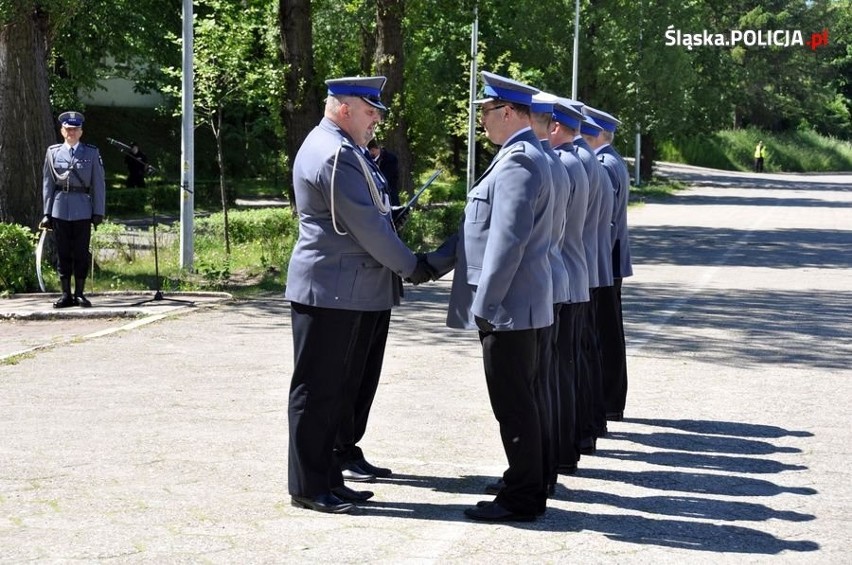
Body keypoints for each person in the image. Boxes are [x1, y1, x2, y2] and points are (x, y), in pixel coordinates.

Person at [284, 75, 432, 514]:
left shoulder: (343, 150)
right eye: (371, 112)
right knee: (316, 391)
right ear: (344, 108)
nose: (376, 122)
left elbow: (373, 214)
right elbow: (367, 227)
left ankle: (328, 477)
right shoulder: (334, 154)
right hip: (330, 289)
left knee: (335, 391)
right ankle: (308, 485)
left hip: (342, 289)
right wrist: (414, 266)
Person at [424, 71, 553, 522]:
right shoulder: (523, 155)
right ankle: (525, 485)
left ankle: (522, 498)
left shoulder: (519, 160)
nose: (481, 122)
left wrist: (486, 304)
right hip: (517, 304)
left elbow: (508, 240)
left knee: (514, 404)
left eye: (485, 112)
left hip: (508, 307)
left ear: (508, 112)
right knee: (521, 401)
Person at [582, 105, 633, 422]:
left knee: (605, 332)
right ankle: (612, 399)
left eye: (588, 130)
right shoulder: (611, 160)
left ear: (599, 134)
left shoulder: (605, 164)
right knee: (608, 330)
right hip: (609, 257)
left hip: (605, 258)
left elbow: (605, 220)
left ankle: (610, 399)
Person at [549, 97, 591, 475]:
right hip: (576, 273)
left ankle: (562, 450)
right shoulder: (580, 161)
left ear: (555, 127)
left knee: (557, 372)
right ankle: (569, 446)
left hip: (563, 274)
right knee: (566, 368)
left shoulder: (563, 163)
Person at [40, 111, 106, 309]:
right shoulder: (53, 153)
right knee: (63, 254)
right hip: (59, 209)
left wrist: (98, 211)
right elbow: (48, 184)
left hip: (83, 209)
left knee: (80, 253)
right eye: (68, 129)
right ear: (62, 131)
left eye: (75, 129)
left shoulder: (91, 153)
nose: (71, 133)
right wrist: (47, 212)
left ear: (81, 132)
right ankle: (65, 295)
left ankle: (79, 294)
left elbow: (98, 184)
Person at [367, 138, 400, 206]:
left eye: (370, 151)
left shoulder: (390, 159)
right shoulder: (368, 159)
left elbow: (386, 178)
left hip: (390, 195)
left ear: (373, 149)